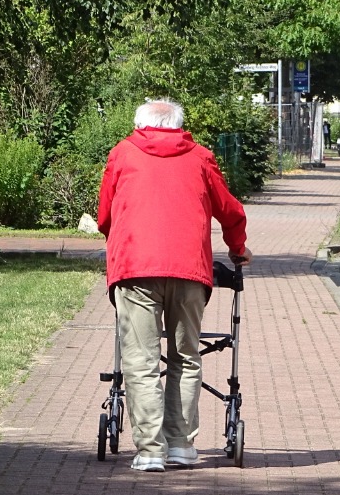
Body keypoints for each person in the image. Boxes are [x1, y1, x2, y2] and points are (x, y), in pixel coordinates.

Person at [97, 98, 252, 472]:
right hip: (188, 270)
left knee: (141, 360)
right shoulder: (200, 157)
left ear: (141, 123)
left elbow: (105, 213)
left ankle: (150, 450)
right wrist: (238, 248)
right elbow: (229, 210)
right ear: (178, 125)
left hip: (136, 269)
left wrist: (116, 239)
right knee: (186, 356)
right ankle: (181, 445)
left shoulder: (122, 154)